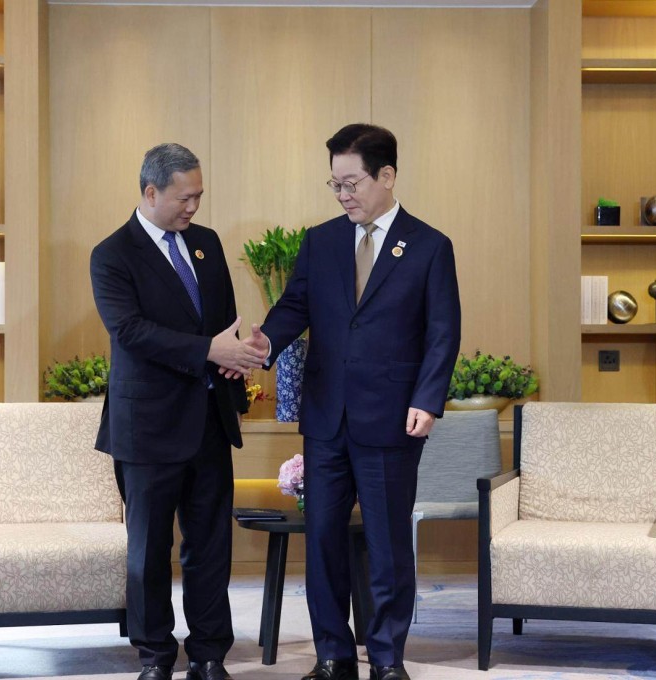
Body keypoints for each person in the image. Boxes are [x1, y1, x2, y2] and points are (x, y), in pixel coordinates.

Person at [247, 124, 461, 680]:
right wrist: (264, 343)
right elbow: (295, 306)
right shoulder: (322, 241)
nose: (342, 195)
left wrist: (429, 399)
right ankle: (333, 656)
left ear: (386, 176)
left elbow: (442, 331)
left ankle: (387, 659)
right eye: (334, 184)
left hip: (392, 418)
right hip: (325, 419)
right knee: (322, 544)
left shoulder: (430, 246)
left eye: (351, 182)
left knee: (389, 546)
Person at [90, 142, 266, 680]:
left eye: (199, 196)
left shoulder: (207, 245)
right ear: (151, 191)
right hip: (147, 428)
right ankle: (155, 655)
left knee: (210, 546)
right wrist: (212, 351)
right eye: (185, 197)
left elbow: (222, 323)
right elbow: (130, 332)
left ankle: (210, 653)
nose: (194, 207)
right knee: (149, 551)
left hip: (210, 420)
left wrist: (242, 352)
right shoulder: (112, 254)